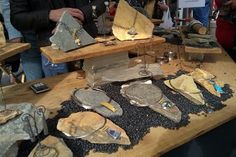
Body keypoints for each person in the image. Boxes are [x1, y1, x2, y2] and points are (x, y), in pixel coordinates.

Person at [10, 0, 106, 78]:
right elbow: (17, 18)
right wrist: (49, 15)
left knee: (99, 86)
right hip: (52, 48)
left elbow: (101, 3)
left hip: (88, 43)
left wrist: (81, 14)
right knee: (63, 93)